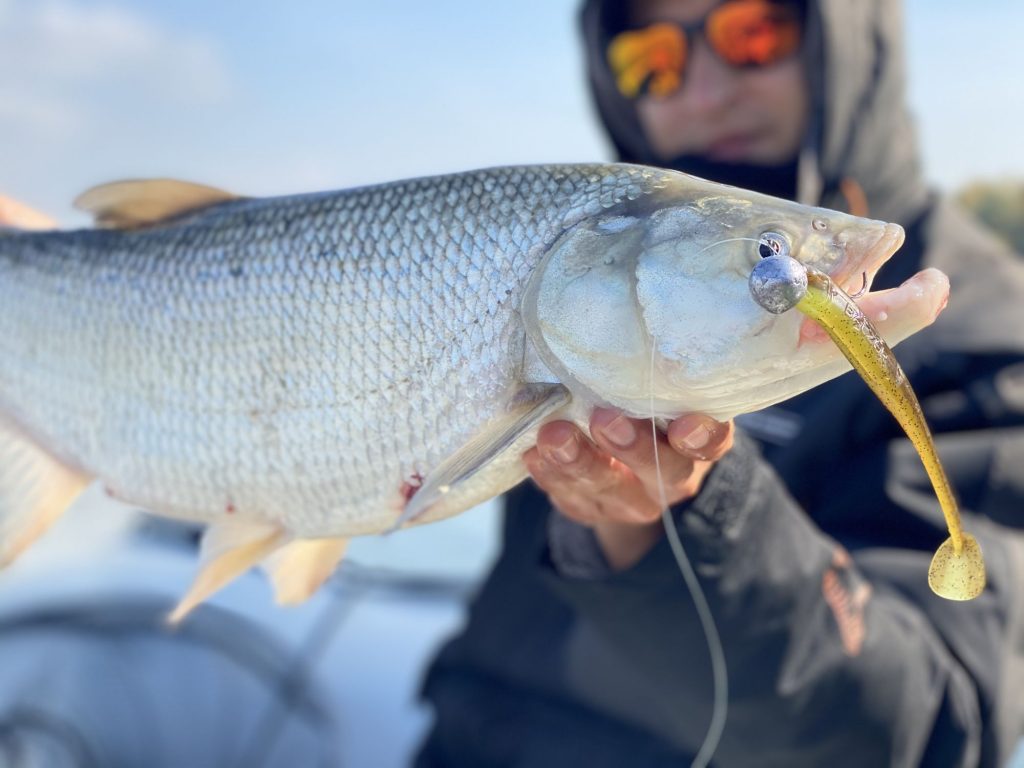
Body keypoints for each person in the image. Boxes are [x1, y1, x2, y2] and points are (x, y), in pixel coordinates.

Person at [415, 1, 1024, 766]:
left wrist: (697, 516)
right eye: (652, 61)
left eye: (753, 32)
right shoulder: (572, 256)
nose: (704, 92)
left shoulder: (989, 332)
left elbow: (932, 729)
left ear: (844, 38)